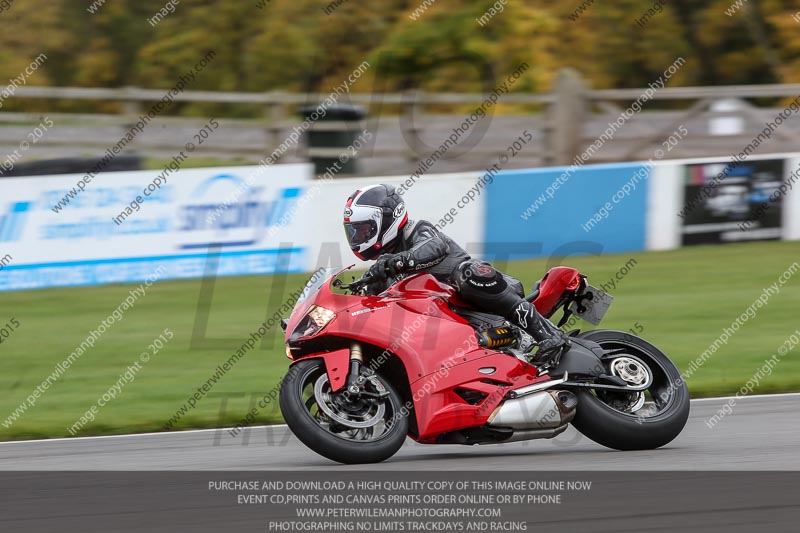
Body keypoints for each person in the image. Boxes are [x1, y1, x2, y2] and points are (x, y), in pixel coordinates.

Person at [343, 183, 570, 369]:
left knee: (469, 272)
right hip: (452, 324)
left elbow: (435, 247)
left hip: (485, 295)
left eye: (364, 229)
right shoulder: (382, 271)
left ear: (388, 219)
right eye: (355, 231)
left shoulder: (416, 230)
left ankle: (548, 335)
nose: (359, 236)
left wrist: (399, 261)